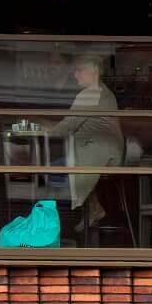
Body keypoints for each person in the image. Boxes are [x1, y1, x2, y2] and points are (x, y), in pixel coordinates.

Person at [51, 54, 123, 240]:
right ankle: (93, 209)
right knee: (61, 168)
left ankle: (55, 229)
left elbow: (68, 126)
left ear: (94, 71)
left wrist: (45, 133)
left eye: (79, 70)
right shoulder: (106, 92)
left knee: (49, 173)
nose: (75, 75)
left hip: (96, 155)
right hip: (110, 154)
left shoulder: (90, 94)